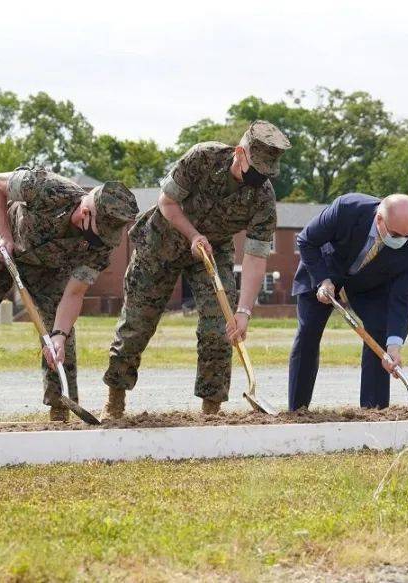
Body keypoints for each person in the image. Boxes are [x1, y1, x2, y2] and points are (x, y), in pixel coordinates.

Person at [102, 120, 291, 418]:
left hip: (211, 253)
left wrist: (243, 312)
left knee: (221, 328)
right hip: (161, 243)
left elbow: (256, 256)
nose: (259, 178)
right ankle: (115, 399)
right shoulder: (202, 158)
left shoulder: (263, 197)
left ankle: (211, 410)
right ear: (239, 153)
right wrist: (192, 235)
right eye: (256, 170)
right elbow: (167, 202)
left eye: (266, 174)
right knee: (136, 325)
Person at [0, 168, 138, 422]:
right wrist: (5, 236)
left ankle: (60, 409)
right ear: (85, 213)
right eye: (98, 233)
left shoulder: (102, 246)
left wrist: (59, 335)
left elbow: (74, 294)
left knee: (61, 338)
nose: (101, 241)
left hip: (46, 270)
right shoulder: (48, 188)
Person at [288, 194, 408, 410]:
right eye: (395, 234)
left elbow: (402, 299)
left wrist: (394, 346)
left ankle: (374, 412)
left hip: (369, 285)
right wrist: (323, 281)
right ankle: (297, 409)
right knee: (308, 333)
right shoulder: (347, 209)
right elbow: (306, 241)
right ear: (379, 219)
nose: (401, 240)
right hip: (324, 268)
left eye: (406, 235)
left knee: (379, 334)